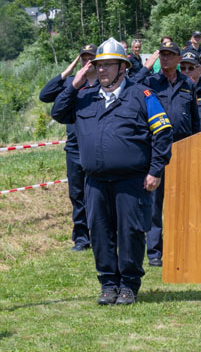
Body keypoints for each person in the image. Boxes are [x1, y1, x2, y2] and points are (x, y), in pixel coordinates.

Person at [51, 38, 173, 305]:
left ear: (123, 68)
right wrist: (75, 81)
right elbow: (57, 111)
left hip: (131, 181)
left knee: (130, 231)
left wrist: (155, 170)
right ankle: (108, 283)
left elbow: (163, 133)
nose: (101, 70)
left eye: (108, 65)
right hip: (94, 181)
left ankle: (129, 285)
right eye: (98, 65)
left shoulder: (143, 96)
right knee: (100, 231)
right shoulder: (84, 97)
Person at [135, 40, 199, 267]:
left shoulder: (188, 84)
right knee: (154, 202)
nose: (165, 58)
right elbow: (130, 86)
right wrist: (145, 67)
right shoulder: (150, 82)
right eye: (162, 55)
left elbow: (194, 119)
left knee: (183, 200)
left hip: (183, 149)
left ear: (179, 59)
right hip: (156, 150)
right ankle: (154, 252)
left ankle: (181, 244)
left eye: (170, 55)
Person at [38, 44, 97, 254]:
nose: (87, 62)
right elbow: (44, 96)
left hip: (95, 147)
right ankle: (81, 238)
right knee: (77, 195)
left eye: (91, 58)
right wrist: (69, 71)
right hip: (74, 149)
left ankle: (99, 234)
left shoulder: (103, 85)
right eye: (83, 58)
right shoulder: (72, 83)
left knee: (97, 194)